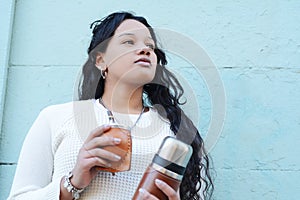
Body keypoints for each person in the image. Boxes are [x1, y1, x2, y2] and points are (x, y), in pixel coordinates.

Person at [7, 11, 213, 200]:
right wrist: (72, 184)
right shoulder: (56, 118)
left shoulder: (179, 131)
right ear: (100, 60)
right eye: (128, 42)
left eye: (150, 46)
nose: (144, 50)